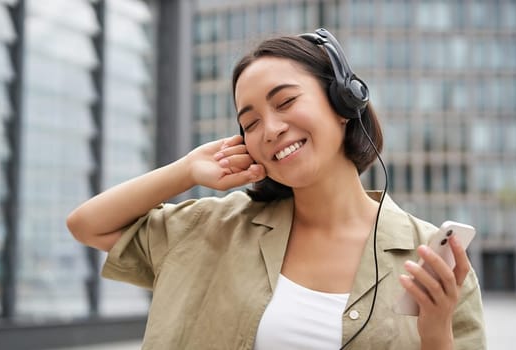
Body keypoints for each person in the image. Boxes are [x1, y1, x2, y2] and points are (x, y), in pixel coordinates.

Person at [66, 29, 486, 349]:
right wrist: (187, 169)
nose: (270, 129)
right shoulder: (213, 228)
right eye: (249, 123)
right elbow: (88, 225)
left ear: (342, 105)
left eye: (285, 102)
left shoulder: (434, 260)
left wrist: (436, 334)